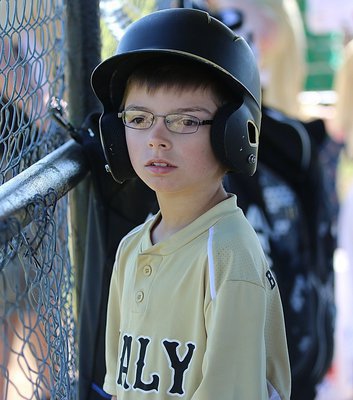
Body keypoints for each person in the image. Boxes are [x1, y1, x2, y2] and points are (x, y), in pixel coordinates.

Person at [90, 7, 291, 400]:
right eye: (139, 118)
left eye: (184, 121)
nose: (157, 138)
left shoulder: (228, 256)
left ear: (234, 134)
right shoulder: (131, 247)